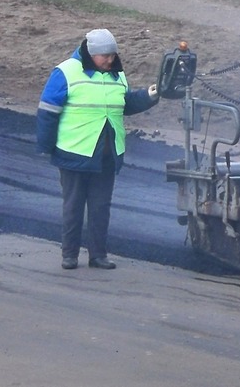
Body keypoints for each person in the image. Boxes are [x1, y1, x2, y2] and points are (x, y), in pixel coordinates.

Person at [36, 28, 159, 270]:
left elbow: (125, 104)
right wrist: (46, 146)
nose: (110, 60)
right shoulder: (66, 72)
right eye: (105, 56)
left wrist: (149, 95)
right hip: (73, 153)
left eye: (113, 55)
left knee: (101, 207)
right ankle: (69, 255)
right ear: (90, 53)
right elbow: (47, 112)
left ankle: (98, 255)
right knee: (73, 206)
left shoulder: (117, 75)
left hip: (106, 156)